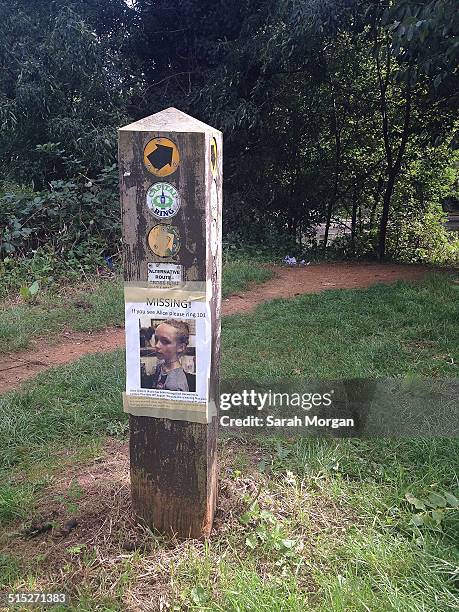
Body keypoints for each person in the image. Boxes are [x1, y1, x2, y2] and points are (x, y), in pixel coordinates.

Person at [152, 319, 190, 392]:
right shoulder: (161, 366)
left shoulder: (176, 384)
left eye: (165, 341)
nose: (157, 345)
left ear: (180, 347)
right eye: (156, 339)